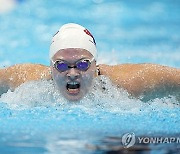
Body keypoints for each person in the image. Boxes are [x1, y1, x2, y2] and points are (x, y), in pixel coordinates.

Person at [0, 23, 179, 101]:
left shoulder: (128, 82)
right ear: (51, 68)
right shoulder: (26, 81)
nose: (72, 73)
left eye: (83, 64)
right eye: (61, 65)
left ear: (95, 65)